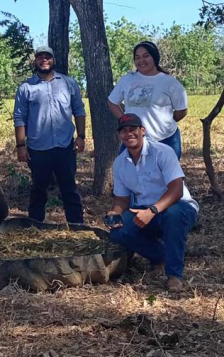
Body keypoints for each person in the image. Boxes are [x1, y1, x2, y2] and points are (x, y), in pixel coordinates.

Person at [106, 113, 199, 292]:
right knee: (117, 231)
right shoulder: (119, 163)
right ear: (119, 136)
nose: (128, 134)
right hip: (143, 209)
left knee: (173, 215)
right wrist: (115, 212)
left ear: (143, 131)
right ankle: (160, 256)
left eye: (133, 129)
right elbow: (122, 199)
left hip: (178, 206)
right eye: (123, 131)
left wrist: (152, 210)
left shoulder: (162, 152)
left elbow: (176, 190)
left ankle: (174, 274)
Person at [13, 46, 87, 225]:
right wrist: (21, 146)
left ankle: (77, 227)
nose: (44, 60)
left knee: (69, 188)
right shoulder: (26, 88)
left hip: (64, 146)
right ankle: (35, 227)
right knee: (39, 189)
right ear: (35, 61)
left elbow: (79, 110)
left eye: (48, 57)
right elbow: (19, 117)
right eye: (40, 57)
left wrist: (82, 136)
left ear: (53, 60)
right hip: (38, 148)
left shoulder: (68, 83)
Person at [108, 41, 188, 159]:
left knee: (166, 177)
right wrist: (125, 121)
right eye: (137, 57)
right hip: (133, 140)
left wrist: (165, 122)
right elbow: (112, 102)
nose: (141, 61)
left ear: (154, 57)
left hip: (165, 139)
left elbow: (181, 110)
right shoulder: (127, 80)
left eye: (146, 56)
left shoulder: (170, 82)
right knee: (129, 175)